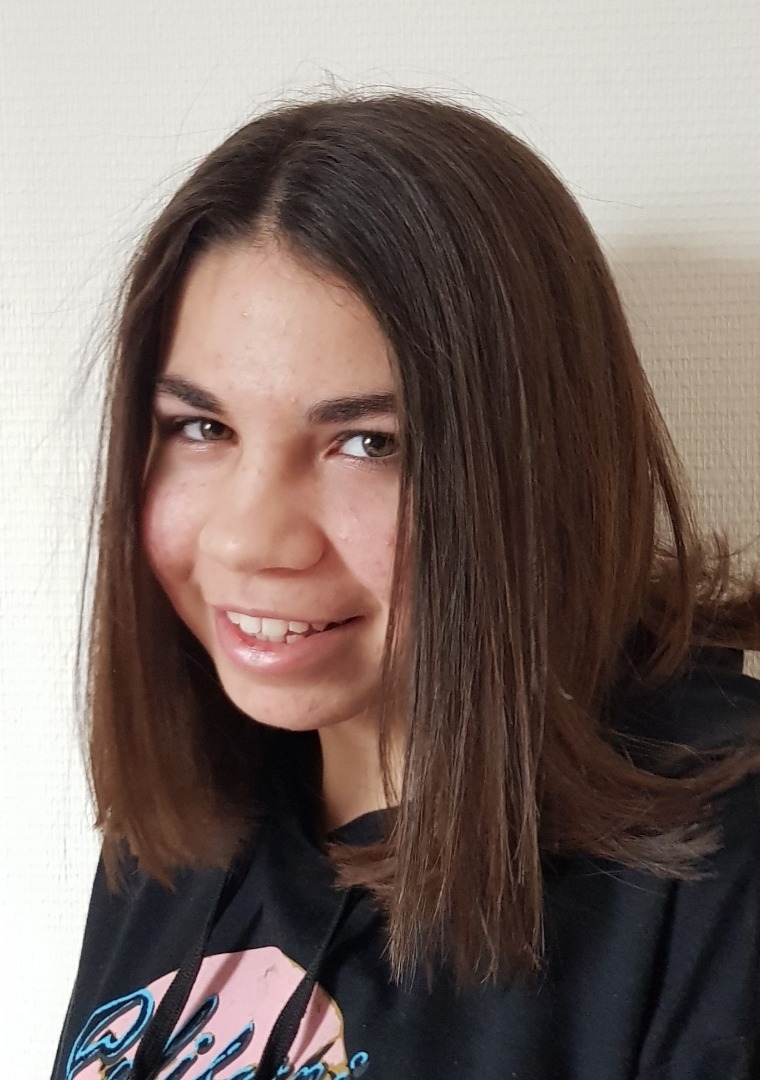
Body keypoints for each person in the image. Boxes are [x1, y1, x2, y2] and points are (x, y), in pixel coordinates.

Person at [52, 93, 760, 1080]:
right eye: (201, 428)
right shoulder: (177, 828)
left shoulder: (719, 874)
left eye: (367, 443)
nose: (248, 540)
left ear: (536, 467)